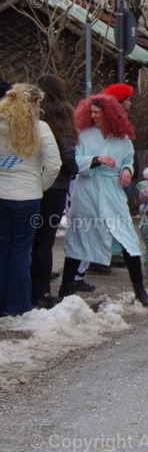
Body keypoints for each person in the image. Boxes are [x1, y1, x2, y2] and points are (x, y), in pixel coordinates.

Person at [59, 94, 148, 306]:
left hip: (112, 190)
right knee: (79, 236)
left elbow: (128, 159)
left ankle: (140, 290)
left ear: (109, 115)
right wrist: (96, 159)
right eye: (91, 112)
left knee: (127, 237)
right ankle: (66, 287)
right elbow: (74, 161)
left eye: (97, 113)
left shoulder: (122, 139)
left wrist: (127, 170)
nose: (93, 116)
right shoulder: (83, 134)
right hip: (87, 190)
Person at [0, 84, 60, 316]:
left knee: (3, 248)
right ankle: (18, 306)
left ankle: (3, 303)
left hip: (2, 194)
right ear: (34, 104)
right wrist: (40, 186)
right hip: (27, 197)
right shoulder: (39, 128)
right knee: (21, 251)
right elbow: (54, 164)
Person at [30, 74, 79, 309]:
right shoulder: (61, 112)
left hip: (32, 181)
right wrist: (73, 169)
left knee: (30, 238)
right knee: (45, 241)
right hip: (56, 182)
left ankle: (29, 289)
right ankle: (43, 293)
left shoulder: (33, 114)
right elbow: (68, 149)